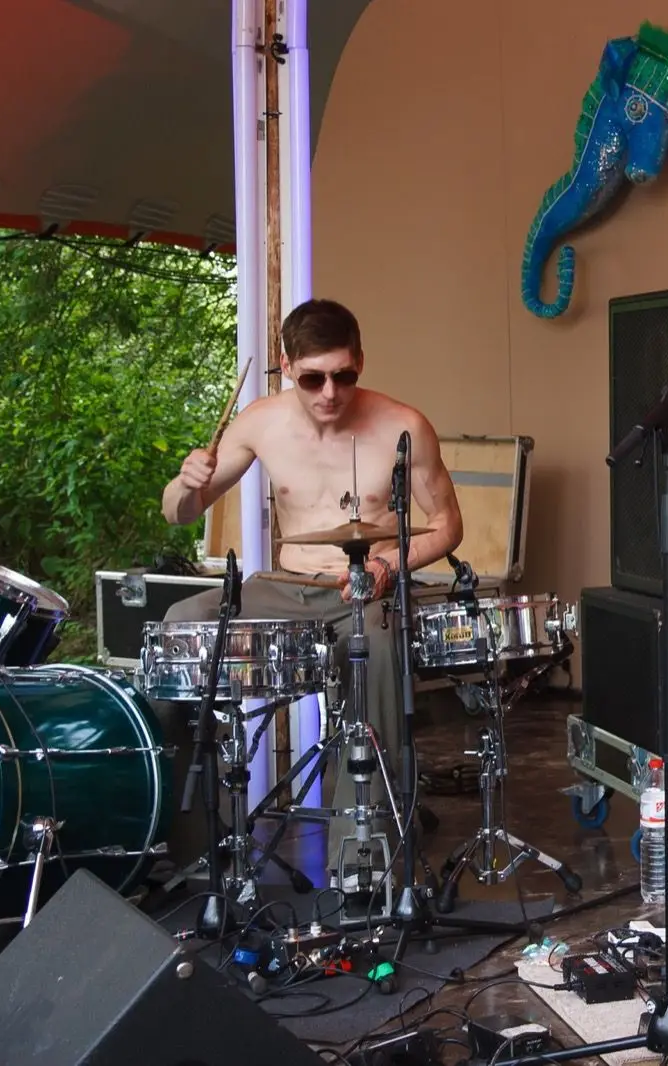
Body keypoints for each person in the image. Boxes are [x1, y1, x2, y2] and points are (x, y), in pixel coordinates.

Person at [156, 297, 464, 894]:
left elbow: (448, 526)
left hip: (364, 588)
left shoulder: (403, 425)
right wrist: (186, 484)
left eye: (343, 375)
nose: (330, 392)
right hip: (287, 586)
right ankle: (190, 840)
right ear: (287, 365)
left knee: (377, 651)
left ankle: (363, 855)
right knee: (178, 625)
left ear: (360, 362)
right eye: (313, 378)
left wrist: (390, 564)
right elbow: (179, 513)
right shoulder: (261, 422)